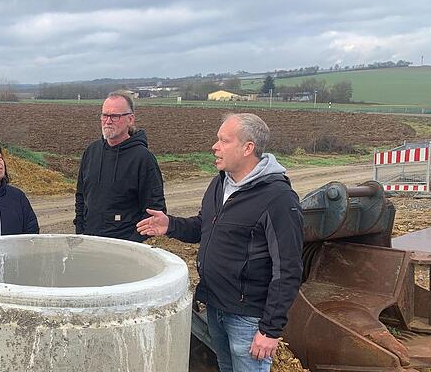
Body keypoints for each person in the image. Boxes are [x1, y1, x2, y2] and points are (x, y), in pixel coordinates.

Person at [136, 113, 303, 372]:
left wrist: (269, 330)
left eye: (224, 140)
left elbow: (289, 269)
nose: (215, 146)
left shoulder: (278, 198)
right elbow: (205, 227)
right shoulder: (220, 183)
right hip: (216, 307)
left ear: (248, 148)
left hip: (248, 318)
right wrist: (170, 225)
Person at [74, 90, 166, 242]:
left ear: (130, 119)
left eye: (115, 116)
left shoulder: (143, 159)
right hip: (90, 243)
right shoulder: (92, 152)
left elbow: (154, 210)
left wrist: (131, 243)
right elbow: (81, 196)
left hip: (125, 249)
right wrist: (80, 232)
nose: (108, 121)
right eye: (105, 115)